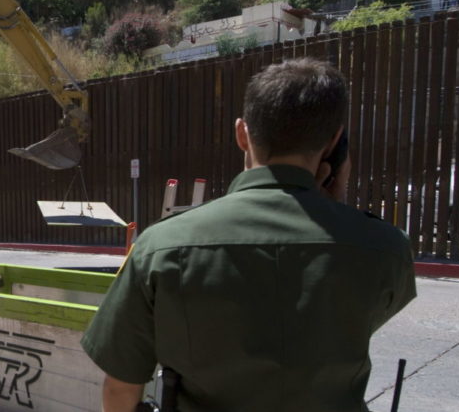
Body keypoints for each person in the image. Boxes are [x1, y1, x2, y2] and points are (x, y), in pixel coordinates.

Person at [81, 58, 416, 412]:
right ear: (334, 139)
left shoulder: (161, 246)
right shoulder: (386, 247)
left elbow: (120, 388)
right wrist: (334, 201)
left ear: (242, 133)